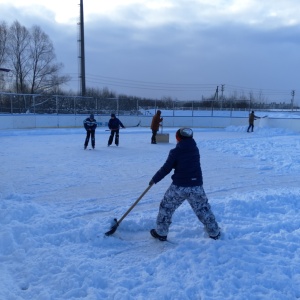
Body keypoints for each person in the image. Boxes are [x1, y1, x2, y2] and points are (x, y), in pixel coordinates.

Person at [149, 127, 220, 242]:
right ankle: (214, 232)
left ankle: (161, 232)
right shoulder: (195, 149)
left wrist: (154, 179)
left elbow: (166, 168)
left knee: (166, 207)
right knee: (203, 209)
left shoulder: (175, 152)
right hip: (196, 186)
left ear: (178, 138)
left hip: (179, 187)